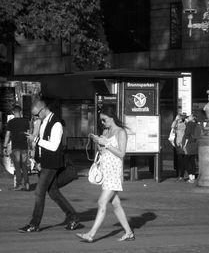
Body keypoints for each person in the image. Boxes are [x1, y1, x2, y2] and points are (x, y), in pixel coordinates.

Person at [18, 99, 80, 232]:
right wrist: (37, 160)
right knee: (53, 193)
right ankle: (73, 217)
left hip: (51, 164)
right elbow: (41, 147)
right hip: (44, 163)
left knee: (39, 191)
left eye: (36, 114)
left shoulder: (56, 123)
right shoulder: (43, 121)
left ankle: (34, 224)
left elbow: (53, 146)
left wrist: (35, 139)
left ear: (43, 109)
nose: (35, 117)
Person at [76, 106, 135, 243]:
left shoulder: (121, 132)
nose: (103, 123)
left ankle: (91, 234)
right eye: (101, 120)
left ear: (111, 117)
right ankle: (129, 233)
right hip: (105, 170)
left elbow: (122, 154)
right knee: (116, 204)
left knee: (102, 201)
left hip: (114, 171)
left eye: (104, 120)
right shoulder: (106, 131)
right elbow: (103, 151)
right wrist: (98, 143)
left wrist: (106, 144)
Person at [3, 105, 30, 191]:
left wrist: (4, 146)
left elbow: (7, 135)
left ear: (13, 112)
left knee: (17, 167)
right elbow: (29, 134)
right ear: (20, 112)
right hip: (24, 147)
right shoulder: (26, 121)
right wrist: (31, 146)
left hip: (16, 148)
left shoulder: (11, 122)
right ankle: (27, 184)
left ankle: (19, 185)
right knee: (24, 166)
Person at [183, 114, 201, 183]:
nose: (187, 118)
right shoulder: (197, 125)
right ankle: (193, 176)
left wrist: (185, 144)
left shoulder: (189, 124)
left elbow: (187, 134)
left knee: (186, 161)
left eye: (188, 117)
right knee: (192, 161)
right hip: (195, 144)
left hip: (189, 145)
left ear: (190, 118)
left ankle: (190, 177)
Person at [170, 114, 187, 182]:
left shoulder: (182, 125)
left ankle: (182, 176)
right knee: (181, 161)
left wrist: (176, 120)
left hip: (180, 145)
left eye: (178, 118)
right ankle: (181, 176)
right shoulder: (181, 125)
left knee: (181, 161)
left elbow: (172, 126)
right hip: (180, 144)